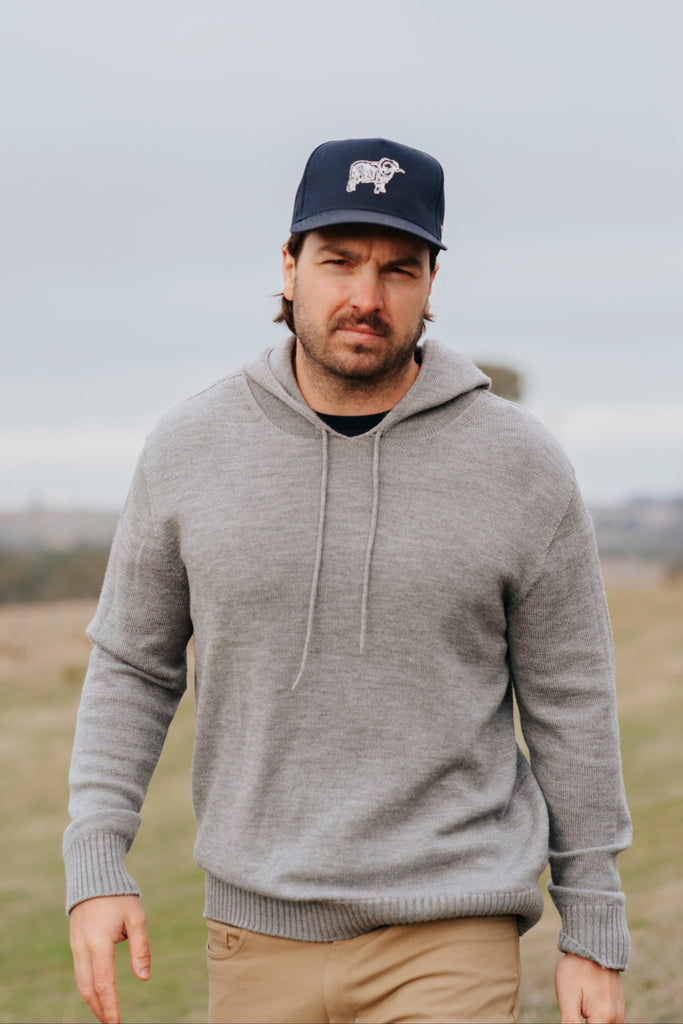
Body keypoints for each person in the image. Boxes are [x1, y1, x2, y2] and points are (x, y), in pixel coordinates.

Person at [65, 138, 631, 1024]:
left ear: (431, 284)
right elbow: (132, 668)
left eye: (399, 269)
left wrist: (592, 922)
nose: (367, 297)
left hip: (452, 923)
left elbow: (571, 700)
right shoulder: (189, 448)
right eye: (339, 262)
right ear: (288, 267)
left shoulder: (520, 465)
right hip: (253, 938)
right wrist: (96, 864)